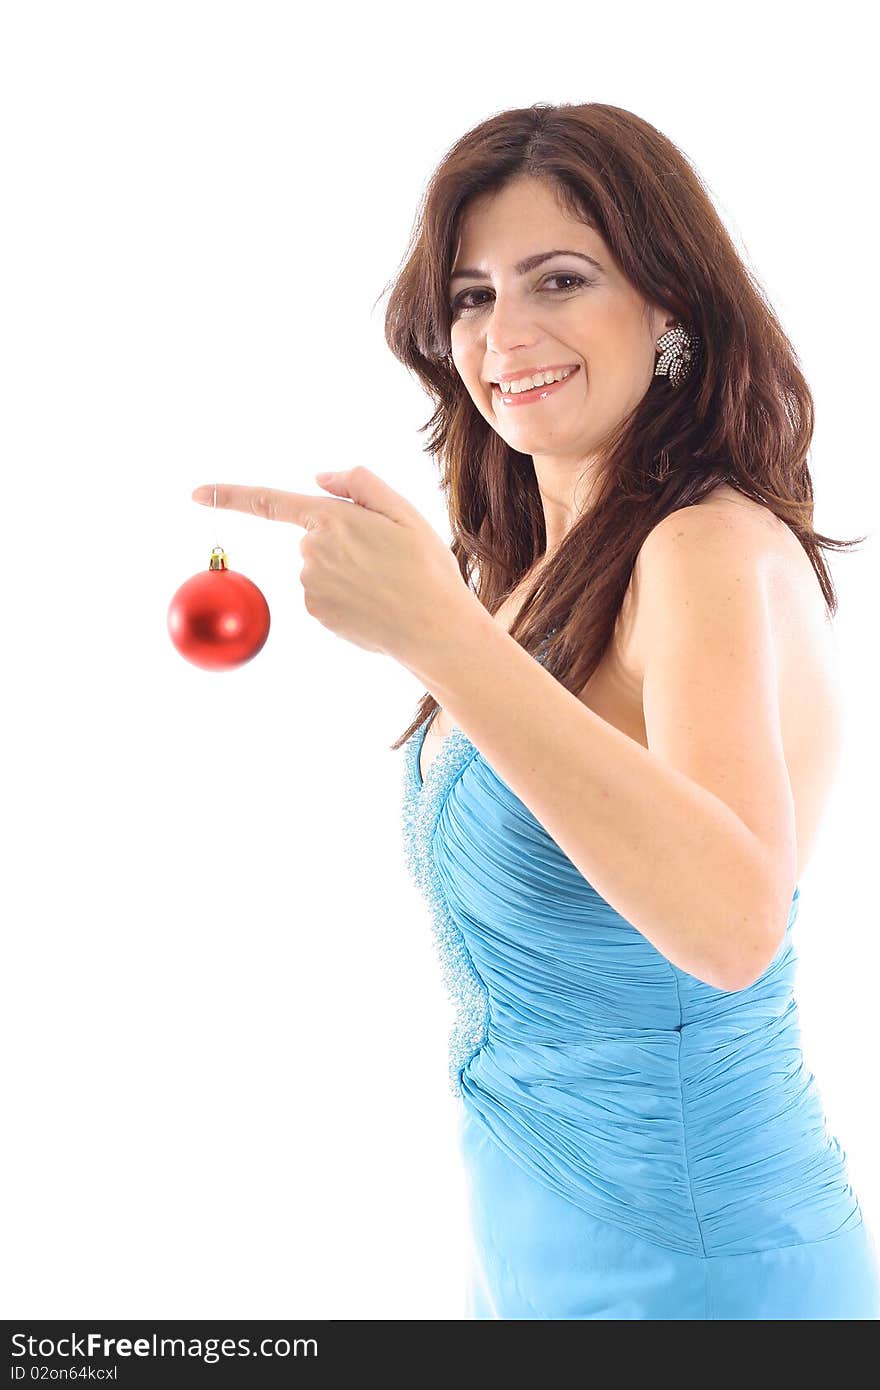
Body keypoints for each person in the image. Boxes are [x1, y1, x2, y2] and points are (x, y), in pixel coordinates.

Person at [390, 102, 880, 1319]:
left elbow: (730, 928)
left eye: (559, 279)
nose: (506, 333)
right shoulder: (534, 588)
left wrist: (432, 631)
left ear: (668, 308)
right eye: (470, 295)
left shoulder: (703, 546)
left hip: (697, 1267)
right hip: (529, 1249)